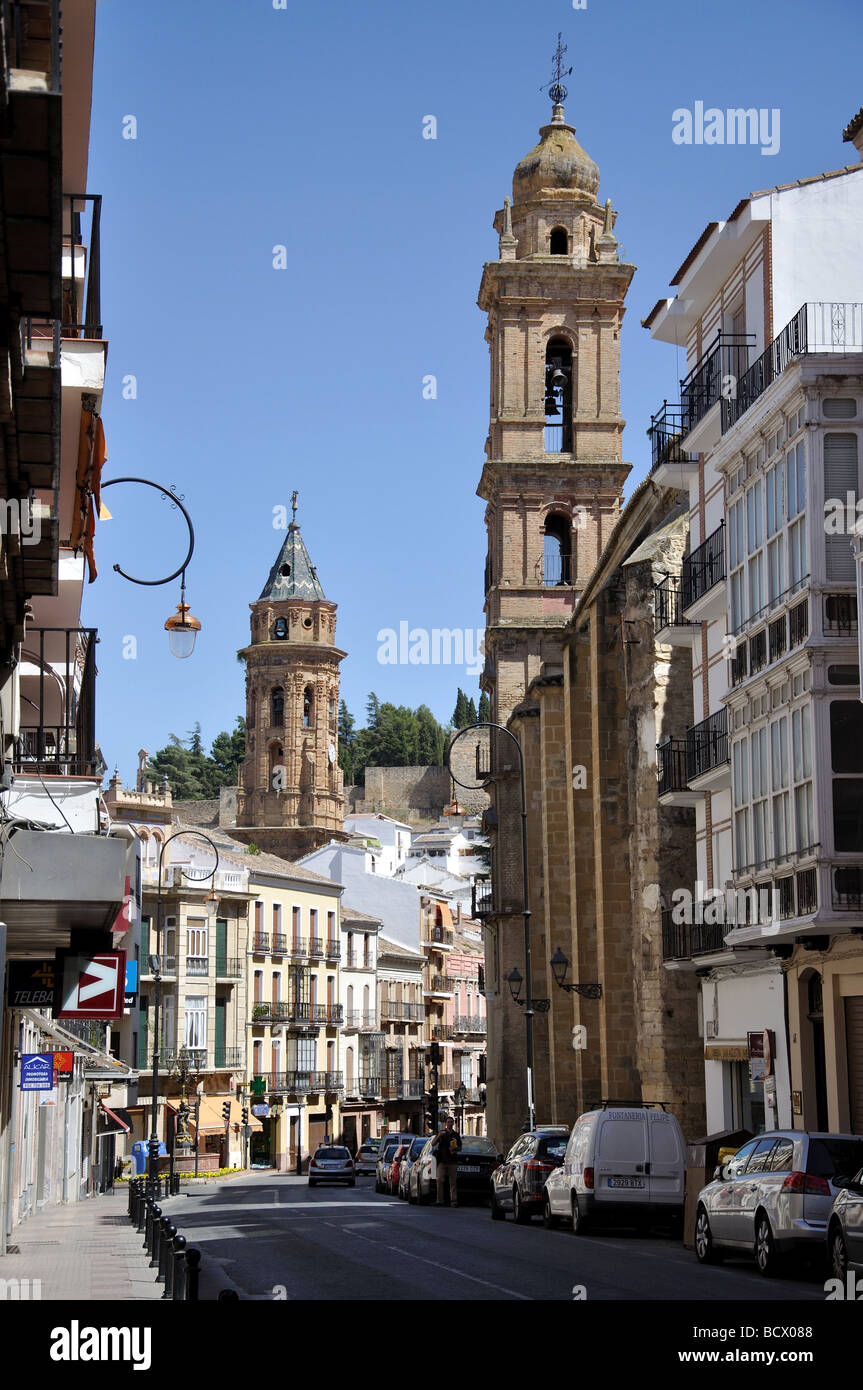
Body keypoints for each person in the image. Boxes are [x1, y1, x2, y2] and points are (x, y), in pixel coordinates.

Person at [433, 1115, 462, 1206]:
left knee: (453, 1182)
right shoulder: (441, 1133)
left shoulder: (456, 1135)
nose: (450, 1123)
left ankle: (453, 1201)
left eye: (451, 1122)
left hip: (452, 1160)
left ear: (453, 1123)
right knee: (440, 1180)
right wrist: (439, 1136)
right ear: (446, 1124)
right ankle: (439, 1200)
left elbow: (460, 1148)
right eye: (448, 1122)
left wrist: (455, 1148)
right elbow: (433, 1143)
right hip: (442, 1160)